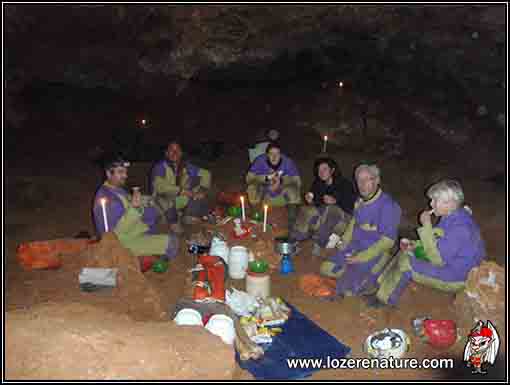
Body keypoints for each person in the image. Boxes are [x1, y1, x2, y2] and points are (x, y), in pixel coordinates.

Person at [368, 179, 486, 308]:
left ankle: (383, 300)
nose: (431, 203)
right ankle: (380, 286)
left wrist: (427, 225)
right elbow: (438, 240)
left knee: (406, 263)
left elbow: (438, 260)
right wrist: (414, 245)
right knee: (406, 251)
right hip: (451, 263)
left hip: (457, 277)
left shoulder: (460, 228)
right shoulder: (453, 216)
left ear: (450, 203)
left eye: (436, 200)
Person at [320, 163, 402, 298]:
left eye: (366, 180)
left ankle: (377, 271)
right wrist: (343, 243)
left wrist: (360, 258)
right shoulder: (360, 201)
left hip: (375, 252)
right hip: (355, 247)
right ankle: (355, 272)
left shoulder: (388, 206)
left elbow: (387, 242)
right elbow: (353, 223)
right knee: (326, 268)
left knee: (348, 290)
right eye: (359, 180)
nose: (362, 184)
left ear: (376, 181)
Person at [93, 156, 179, 260]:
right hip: (121, 243)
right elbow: (116, 233)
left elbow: (128, 203)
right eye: (120, 172)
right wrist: (134, 208)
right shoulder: (107, 198)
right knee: (171, 242)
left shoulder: (115, 189)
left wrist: (145, 201)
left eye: (125, 172)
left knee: (157, 211)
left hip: (132, 232)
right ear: (108, 173)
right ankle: (138, 257)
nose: (125, 175)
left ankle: (146, 252)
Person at [290, 157, 357, 256]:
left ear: (332, 170)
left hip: (343, 217)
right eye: (319, 170)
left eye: (324, 169)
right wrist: (309, 199)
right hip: (324, 213)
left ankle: (318, 244)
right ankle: (295, 240)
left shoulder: (345, 184)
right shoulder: (318, 183)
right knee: (306, 210)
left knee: (331, 209)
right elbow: (316, 204)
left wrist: (336, 201)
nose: (321, 172)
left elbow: (351, 206)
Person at [150, 140, 212, 233]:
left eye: (177, 150)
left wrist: (201, 191)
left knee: (199, 197)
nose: (175, 153)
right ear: (166, 153)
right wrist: (183, 191)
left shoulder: (185, 166)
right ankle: (172, 222)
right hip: (161, 202)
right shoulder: (160, 167)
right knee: (165, 199)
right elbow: (160, 187)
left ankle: (189, 216)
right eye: (171, 150)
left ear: (181, 153)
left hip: (177, 200)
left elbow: (206, 174)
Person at [246, 141, 302, 229]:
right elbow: (249, 178)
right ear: (267, 154)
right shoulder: (259, 160)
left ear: (281, 154)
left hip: (282, 190)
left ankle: (292, 221)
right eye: (271, 153)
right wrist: (266, 179)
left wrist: (281, 181)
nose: (274, 157)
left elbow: (297, 182)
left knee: (293, 191)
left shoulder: (288, 162)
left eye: (277, 153)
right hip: (264, 190)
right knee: (252, 188)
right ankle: (256, 217)